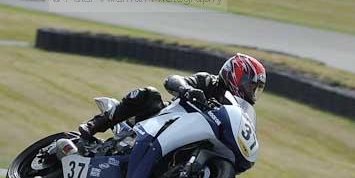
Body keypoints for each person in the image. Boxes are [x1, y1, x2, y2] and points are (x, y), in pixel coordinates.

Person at [78, 53, 266, 139]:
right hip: (164, 120)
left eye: (256, 88)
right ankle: (95, 124)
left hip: (192, 135)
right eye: (251, 85)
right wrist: (187, 90)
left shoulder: (238, 109)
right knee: (149, 94)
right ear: (236, 75)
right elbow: (173, 80)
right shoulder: (209, 81)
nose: (252, 91)